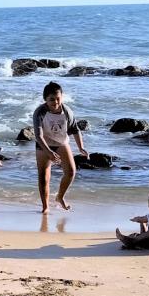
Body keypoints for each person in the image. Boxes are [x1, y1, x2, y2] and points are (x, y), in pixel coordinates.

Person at [33, 81, 88, 212]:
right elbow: (38, 136)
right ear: (45, 99)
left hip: (61, 143)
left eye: (58, 98)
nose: (55, 102)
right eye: (51, 99)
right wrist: (49, 153)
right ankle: (45, 207)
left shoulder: (67, 111)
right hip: (43, 144)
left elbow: (75, 129)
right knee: (43, 177)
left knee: (70, 172)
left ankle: (60, 197)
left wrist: (81, 147)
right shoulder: (39, 112)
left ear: (62, 97)